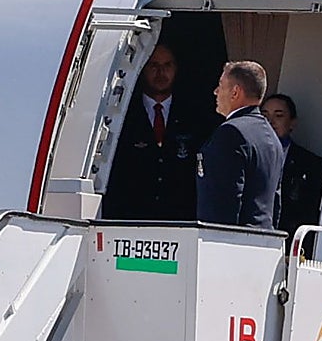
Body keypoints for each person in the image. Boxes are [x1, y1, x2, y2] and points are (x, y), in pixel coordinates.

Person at [102, 44, 211, 221]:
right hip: (131, 220)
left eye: (167, 65)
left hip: (179, 221)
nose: (161, 73)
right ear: (142, 68)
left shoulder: (193, 116)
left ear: (176, 69)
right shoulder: (123, 115)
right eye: (154, 65)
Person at [196, 61, 283, 228]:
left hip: (233, 244)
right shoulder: (271, 137)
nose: (216, 92)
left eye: (221, 85)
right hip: (265, 241)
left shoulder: (230, 133)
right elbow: (274, 203)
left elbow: (221, 203)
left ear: (235, 92)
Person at [260, 93, 322, 246]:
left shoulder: (309, 163)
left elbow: (309, 213)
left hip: (290, 243)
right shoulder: (248, 153)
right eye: (264, 115)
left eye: (279, 115)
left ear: (292, 123)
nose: (270, 121)